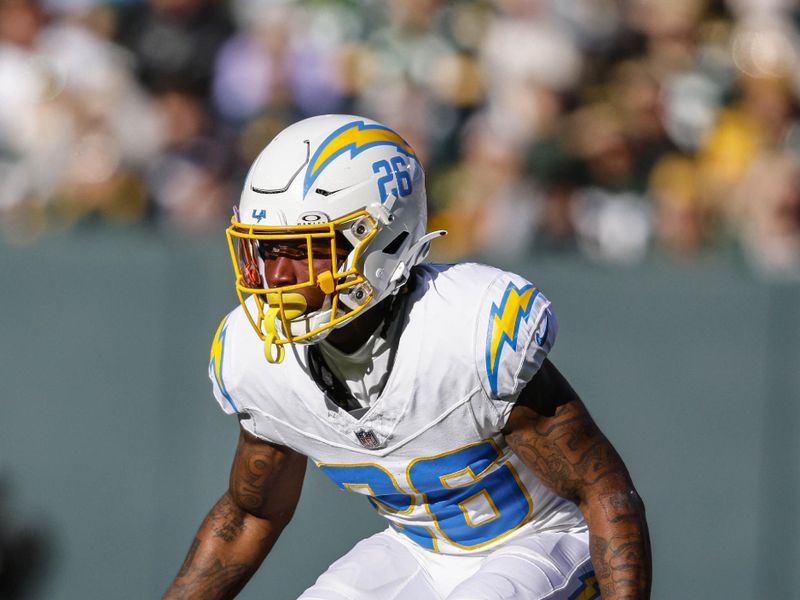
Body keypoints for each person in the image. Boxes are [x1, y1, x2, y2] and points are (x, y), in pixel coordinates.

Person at [162, 115, 651, 599]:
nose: (279, 276)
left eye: (302, 250)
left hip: (543, 539)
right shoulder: (258, 359)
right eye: (266, 253)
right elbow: (252, 513)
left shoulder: (463, 332)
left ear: (383, 240)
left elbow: (603, 490)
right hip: (418, 551)